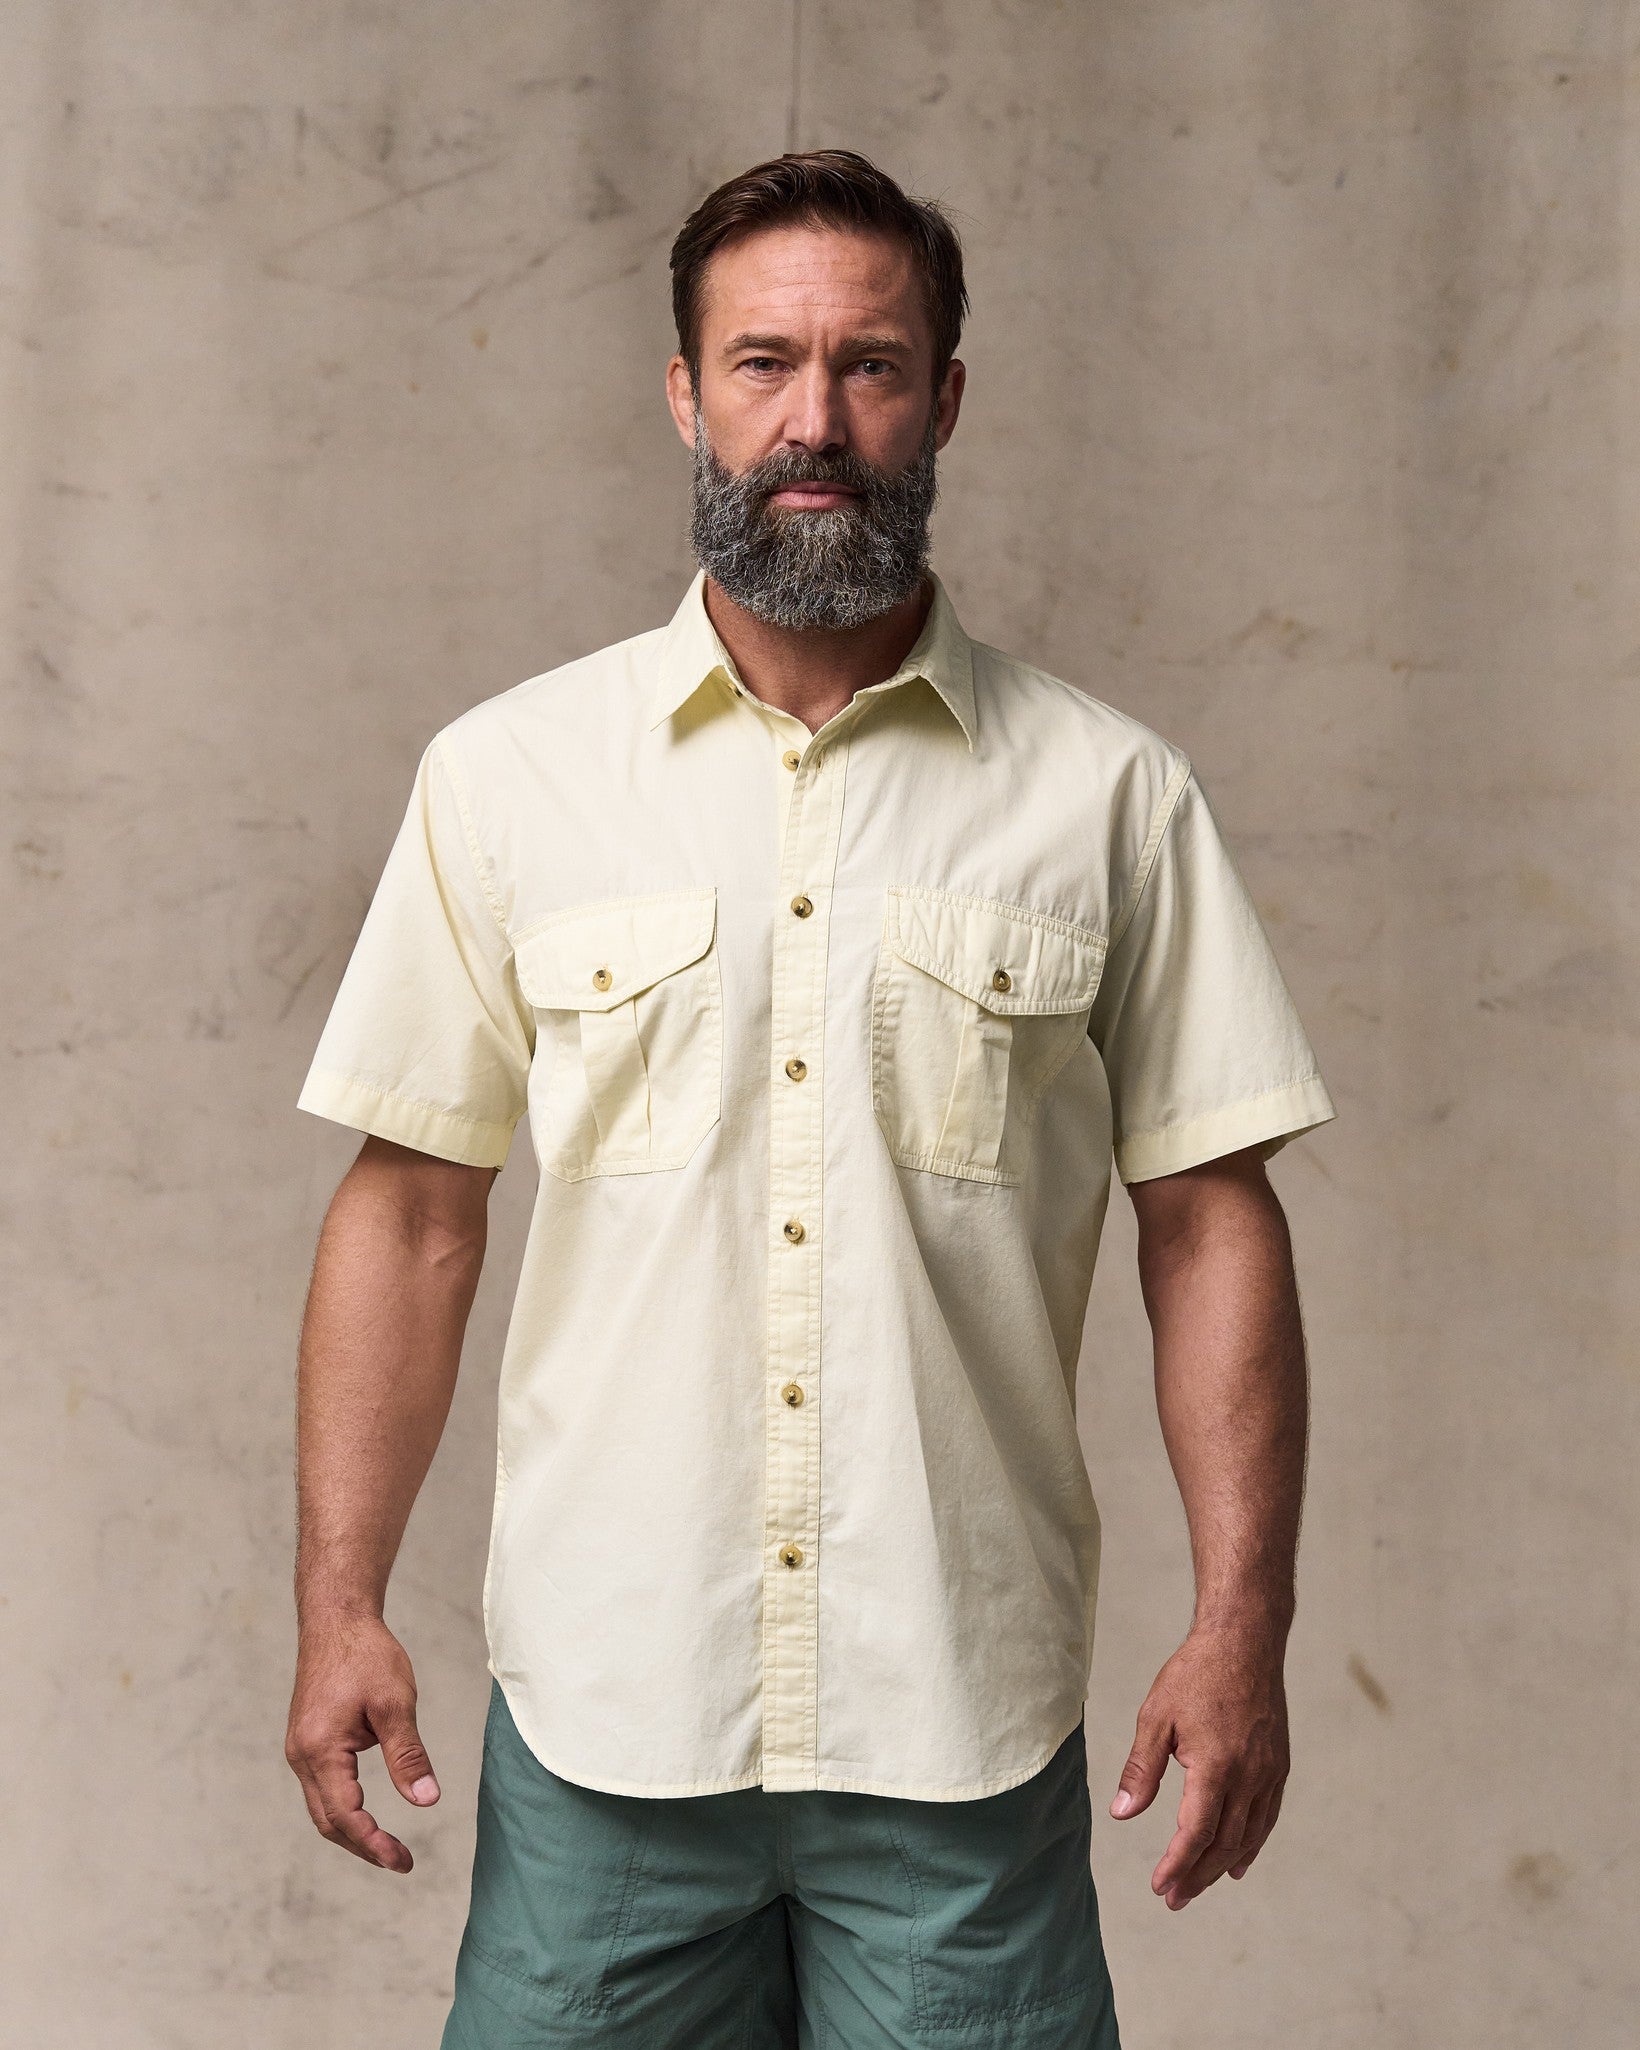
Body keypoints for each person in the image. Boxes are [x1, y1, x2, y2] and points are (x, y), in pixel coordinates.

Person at [285, 148, 1336, 2050]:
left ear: (946, 397)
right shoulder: (511, 778)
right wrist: (339, 1596)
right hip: (607, 1722)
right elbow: (415, 1210)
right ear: (685, 394)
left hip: (959, 1735)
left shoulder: (1109, 797)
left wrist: (1240, 1618)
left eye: (872, 365)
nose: (816, 421)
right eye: (764, 363)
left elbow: (1210, 1221)